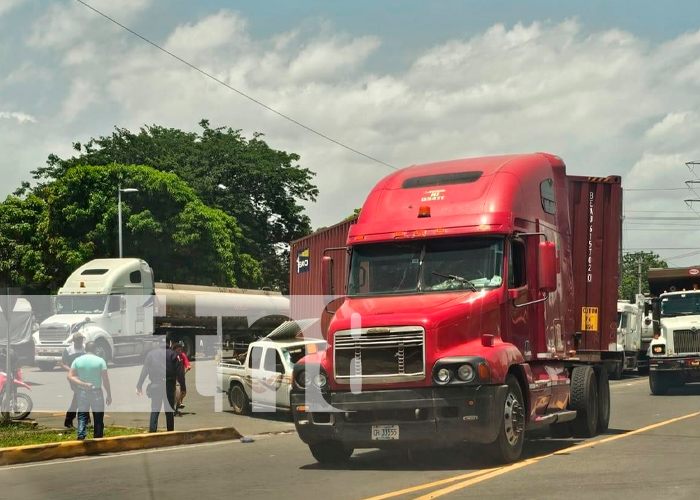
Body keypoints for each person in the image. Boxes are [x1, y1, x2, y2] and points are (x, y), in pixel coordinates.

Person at [136, 336, 186, 432]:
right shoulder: (173, 355)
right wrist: (183, 388)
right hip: (169, 386)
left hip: (155, 384)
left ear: (159, 344)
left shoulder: (151, 354)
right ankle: (170, 432)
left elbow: (144, 370)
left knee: (155, 409)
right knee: (169, 411)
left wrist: (139, 385)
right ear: (169, 343)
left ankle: (152, 433)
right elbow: (180, 373)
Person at [67, 341, 112, 440]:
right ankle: (98, 437)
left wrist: (81, 384)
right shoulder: (100, 361)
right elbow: (105, 379)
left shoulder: (77, 360)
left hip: (82, 391)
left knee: (82, 415)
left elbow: (70, 376)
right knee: (98, 417)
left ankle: (81, 435)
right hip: (96, 392)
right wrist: (109, 394)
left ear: (85, 349)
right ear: (96, 349)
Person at [60, 332, 87, 429]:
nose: (80, 341)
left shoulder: (85, 348)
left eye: (81, 339)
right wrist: (70, 370)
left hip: (85, 376)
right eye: (78, 339)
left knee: (84, 397)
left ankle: (84, 419)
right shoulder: (68, 350)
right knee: (79, 396)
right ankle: (70, 419)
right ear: (74, 341)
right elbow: (62, 363)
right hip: (74, 377)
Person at [172, 342, 191, 413]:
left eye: (181, 350)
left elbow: (186, 362)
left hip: (181, 375)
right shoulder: (172, 356)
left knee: (183, 391)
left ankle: (180, 401)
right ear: (175, 350)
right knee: (174, 390)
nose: (180, 351)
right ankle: (175, 402)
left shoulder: (183, 355)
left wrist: (188, 366)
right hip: (174, 376)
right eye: (178, 350)